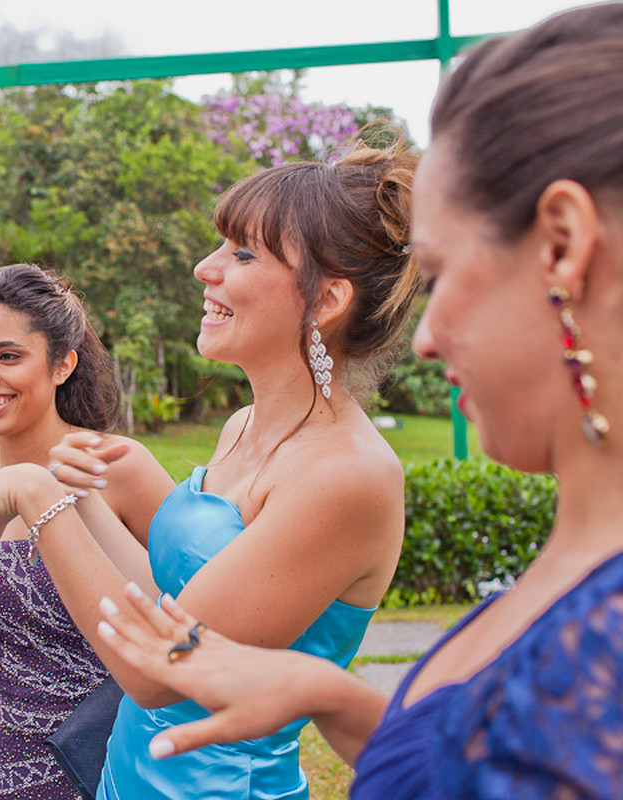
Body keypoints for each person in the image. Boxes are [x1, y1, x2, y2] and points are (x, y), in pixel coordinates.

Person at [87, 4, 623, 798]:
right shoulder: (575, 578)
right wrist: (331, 696)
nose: (429, 338)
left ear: (562, 247)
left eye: (441, 277)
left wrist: (45, 500)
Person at [0, 138, 421, 799]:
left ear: (326, 300)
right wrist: (75, 494)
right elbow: (167, 602)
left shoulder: (348, 475)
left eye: (243, 253)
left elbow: (163, 671)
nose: (205, 268)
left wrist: (35, 495)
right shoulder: (244, 427)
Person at [0, 264, 172, 800]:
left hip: (113, 753)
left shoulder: (119, 467)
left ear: (62, 365)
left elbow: (189, 611)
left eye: (7, 356)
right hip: (3, 760)